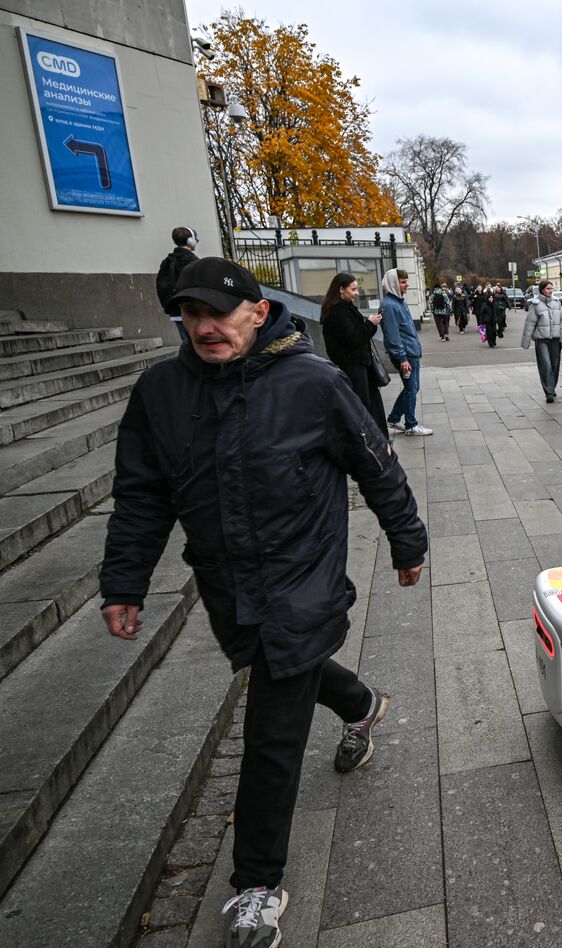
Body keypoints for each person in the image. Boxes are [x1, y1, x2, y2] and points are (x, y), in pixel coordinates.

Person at [99, 257, 428, 948]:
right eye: (192, 314)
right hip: (229, 587)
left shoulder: (312, 383)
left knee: (271, 736)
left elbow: (376, 463)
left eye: (220, 313)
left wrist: (408, 542)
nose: (206, 327)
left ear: (257, 311)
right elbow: (142, 496)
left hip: (301, 579)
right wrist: (124, 582)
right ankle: (363, 705)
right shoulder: (160, 391)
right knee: (288, 666)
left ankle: (256, 885)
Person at [321, 272, 389, 438]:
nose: (356, 293)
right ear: (341, 290)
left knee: (371, 404)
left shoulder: (344, 309)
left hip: (360, 364)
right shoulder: (338, 312)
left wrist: (369, 324)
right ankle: (369, 439)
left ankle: (377, 438)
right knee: (362, 405)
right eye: (353, 289)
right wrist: (370, 323)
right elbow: (354, 338)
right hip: (353, 366)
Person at [379, 268, 432, 436]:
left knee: (412, 388)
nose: (407, 285)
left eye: (406, 281)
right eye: (403, 282)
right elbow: (393, 336)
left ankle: (394, 418)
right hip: (406, 355)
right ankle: (411, 424)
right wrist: (402, 358)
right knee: (411, 389)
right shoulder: (389, 306)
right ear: (394, 283)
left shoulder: (398, 302)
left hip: (410, 352)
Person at [522, 279, 562, 402]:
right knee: (545, 365)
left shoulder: (557, 303)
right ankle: (549, 392)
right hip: (542, 340)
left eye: (552, 288)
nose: (550, 291)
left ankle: (552, 387)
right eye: (548, 288)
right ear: (542, 290)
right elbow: (529, 323)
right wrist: (526, 342)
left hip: (556, 340)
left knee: (555, 365)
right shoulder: (535, 305)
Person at [155, 226, 200, 345]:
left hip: (176, 312)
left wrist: (170, 306)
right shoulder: (193, 261)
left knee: (186, 344)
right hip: (194, 311)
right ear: (190, 241)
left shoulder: (167, 261)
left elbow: (161, 286)